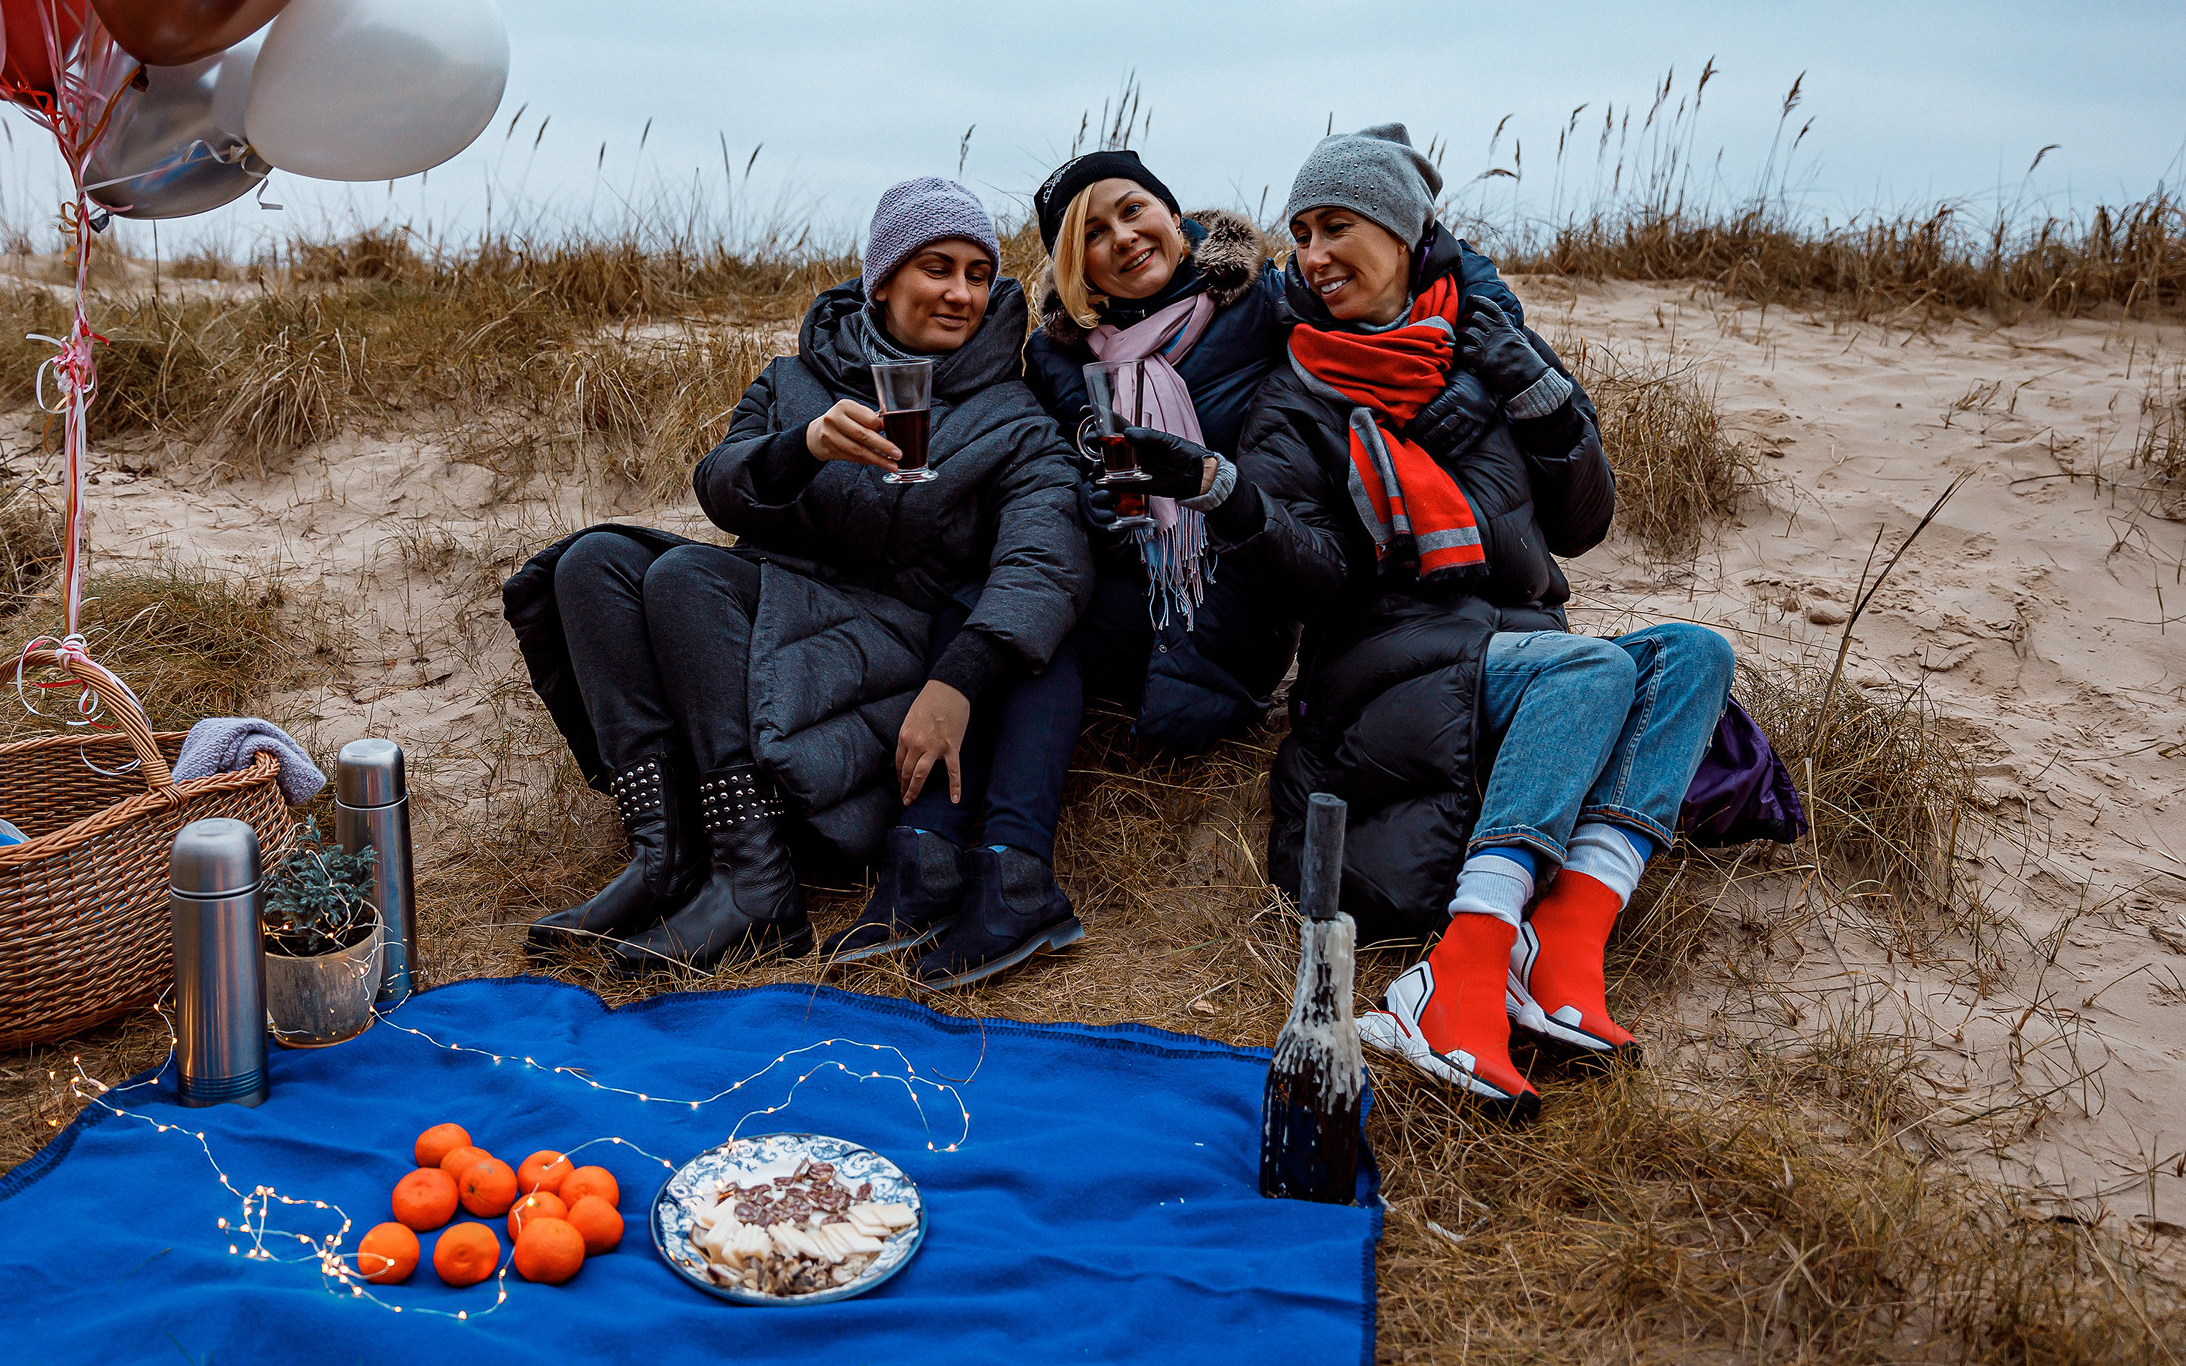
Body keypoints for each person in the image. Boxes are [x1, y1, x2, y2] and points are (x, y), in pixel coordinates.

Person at [1118, 124, 1735, 1119]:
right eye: (1301, 234)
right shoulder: (1298, 393)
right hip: (1386, 670)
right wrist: (1226, 493)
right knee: (1586, 670)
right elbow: (1313, 577)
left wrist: (1539, 395)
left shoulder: (1482, 355)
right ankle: (1457, 972)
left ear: (1404, 232)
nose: (1313, 257)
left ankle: (1562, 945)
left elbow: (1580, 526)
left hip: (1519, 647)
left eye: (1336, 227)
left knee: (1694, 655)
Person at [501, 177, 1094, 981]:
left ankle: (757, 882)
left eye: (978, 273)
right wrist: (802, 445)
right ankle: (663, 854)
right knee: (588, 564)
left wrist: (960, 678)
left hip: (885, 646)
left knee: (683, 579)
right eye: (936, 267)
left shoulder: (1014, 417)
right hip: (771, 602)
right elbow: (720, 486)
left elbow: (1045, 561)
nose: (961, 292)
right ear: (881, 279)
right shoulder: (797, 378)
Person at [1020, 151, 1299, 751]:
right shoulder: (1058, 358)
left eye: (1132, 209)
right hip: (1121, 582)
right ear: (1077, 265)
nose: (1122, 237)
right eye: (1093, 233)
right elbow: (1044, 474)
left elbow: (1398, 265)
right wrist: (1086, 504)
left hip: (1235, 591)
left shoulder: (1260, 302)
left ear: (1173, 216)